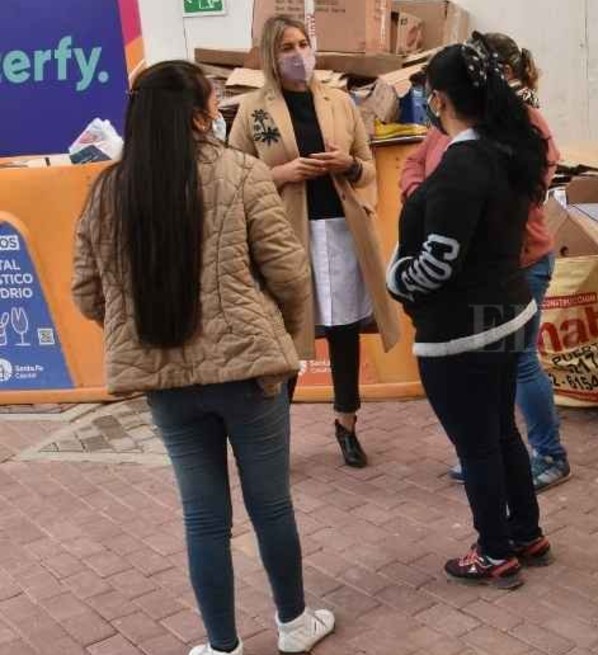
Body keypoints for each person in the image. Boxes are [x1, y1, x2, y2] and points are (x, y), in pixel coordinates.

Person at [72, 60, 334, 655]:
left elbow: (88, 293)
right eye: (213, 102)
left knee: (204, 519)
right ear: (196, 115)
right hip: (248, 375)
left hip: (166, 383)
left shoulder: (107, 190)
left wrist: (135, 333)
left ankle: (221, 646)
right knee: (271, 505)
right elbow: (289, 271)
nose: (218, 110)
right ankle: (293, 625)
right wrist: (282, 332)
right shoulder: (241, 172)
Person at [388, 43, 551, 588]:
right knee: (501, 430)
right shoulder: (506, 148)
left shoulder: (463, 164)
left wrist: (397, 281)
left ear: (437, 98)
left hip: (463, 331)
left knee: (477, 442)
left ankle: (494, 549)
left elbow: (439, 260)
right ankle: (525, 530)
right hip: (505, 311)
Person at [400, 32, 570, 492]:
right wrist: (426, 199)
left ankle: (548, 455)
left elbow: (524, 190)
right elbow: (413, 166)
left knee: (516, 365)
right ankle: (488, 458)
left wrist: (451, 203)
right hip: (471, 271)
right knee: (489, 374)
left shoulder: (522, 125)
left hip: (517, 263)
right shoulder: (448, 128)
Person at [230, 14, 402, 469]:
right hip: (284, 234)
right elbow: (233, 179)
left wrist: (346, 163)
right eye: (287, 47)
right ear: (271, 54)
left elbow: (367, 167)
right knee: (286, 335)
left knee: (344, 331)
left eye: (303, 43)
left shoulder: (340, 102)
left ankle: (346, 424)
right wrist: (282, 174)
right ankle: (274, 436)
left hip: (342, 230)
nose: (298, 54)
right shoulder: (252, 109)